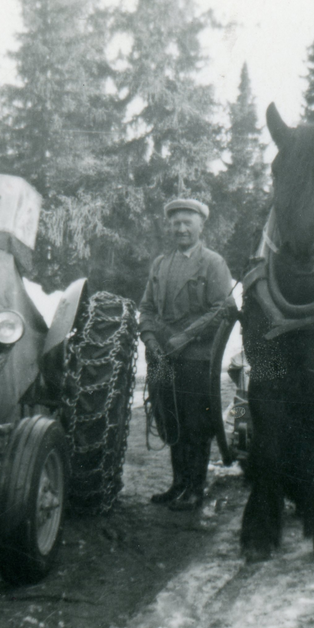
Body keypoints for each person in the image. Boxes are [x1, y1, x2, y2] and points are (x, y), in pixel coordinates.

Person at [139, 198, 234, 511]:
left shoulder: (213, 263)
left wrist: (184, 338)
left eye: (187, 223)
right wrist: (150, 338)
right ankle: (178, 484)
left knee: (196, 423)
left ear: (200, 226)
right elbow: (148, 308)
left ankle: (195, 488)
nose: (180, 229)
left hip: (196, 359)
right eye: (175, 223)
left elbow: (222, 309)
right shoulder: (160, 264)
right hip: (162, 358)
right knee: (170, 419)